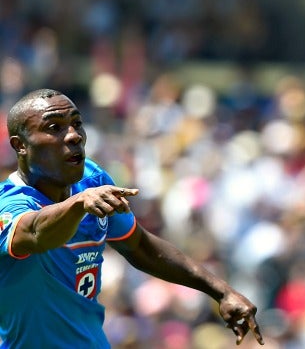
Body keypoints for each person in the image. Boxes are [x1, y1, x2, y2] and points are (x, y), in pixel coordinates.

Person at [0, 89, 264, 348]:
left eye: (77, 124)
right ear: (20, 145)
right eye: (54, 127)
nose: (73, 136)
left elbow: (139, 246)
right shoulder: (10, 205)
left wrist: (221, 291)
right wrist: (78, 204)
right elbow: (37, 234)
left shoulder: (92, 181)